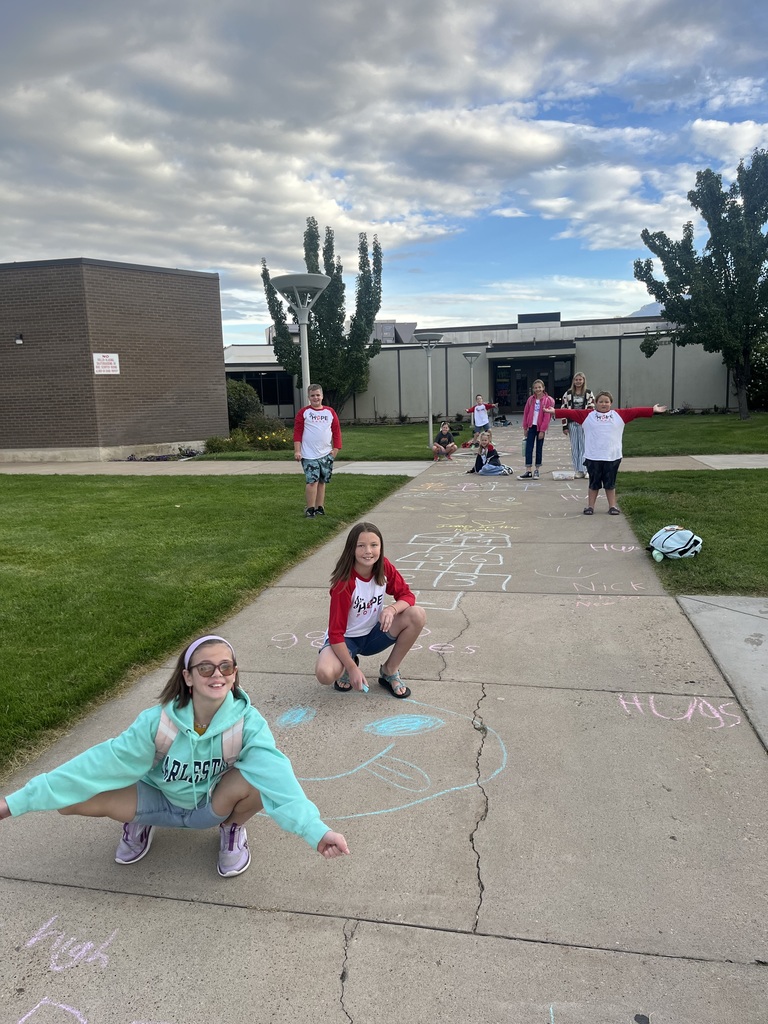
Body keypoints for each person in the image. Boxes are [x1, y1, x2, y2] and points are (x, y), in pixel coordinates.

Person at [0, 635, 350, 877]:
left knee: (260, 778)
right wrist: (13, 804)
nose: (217, 674)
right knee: (72, 799)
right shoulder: (158, 722)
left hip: (208, 808)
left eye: (226, 667)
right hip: (157, 801)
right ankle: (139, 823)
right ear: (187, 676)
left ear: (235, 674)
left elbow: (278, 777)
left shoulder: (247, 723)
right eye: (206, 668)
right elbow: (97, 763)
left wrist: (316, 832)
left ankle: (232, 830)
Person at [315, 522, 426, 699]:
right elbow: (336, 634)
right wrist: (352, 669)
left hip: (374, 634)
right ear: (351, 549)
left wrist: (391, 609)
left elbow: (407, 595)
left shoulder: (383, 567)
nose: (368, 551)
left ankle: (389, 670)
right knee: (325, 673)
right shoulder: (344, 584)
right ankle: (347, 663)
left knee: (417, 614)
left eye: (374, 545)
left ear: (380, 547)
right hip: (346, 640)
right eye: (361, 546)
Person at [555, 392, 667, 514]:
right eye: (601, 401)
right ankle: (590, 507)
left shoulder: (619, 415)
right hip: (593, 456)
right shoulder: (588, 415)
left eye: (607, 402)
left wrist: (652, 410)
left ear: (611, 403)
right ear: (595, 403)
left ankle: (612, 506)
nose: (604, 404)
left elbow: (636, 412)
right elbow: (569, 413)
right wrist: (554, 411)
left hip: (612, 456)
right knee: (594, 483)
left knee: (610, 483)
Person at [293, 383, 342, 518]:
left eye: (318, 395)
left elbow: (336, 431)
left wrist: (336, 449)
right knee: (312, 481)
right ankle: (310, 509)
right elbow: (297, 432)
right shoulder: (304, 413)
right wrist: (297, 450)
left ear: (322, 396)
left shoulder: (330, 412)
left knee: (321, 481)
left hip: (325, 453)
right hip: (309, 454)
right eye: (312, 396)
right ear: (309, 397)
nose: (316, 398)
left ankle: (319, 506)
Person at [560, 372, 596, 477]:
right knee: (575, 447)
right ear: (573, 381)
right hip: (572, 422)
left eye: (580, 380)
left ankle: (585, 469)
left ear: (584, 380)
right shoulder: (568, 394)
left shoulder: (589, 393)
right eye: (576, 380)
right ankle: (577, 470)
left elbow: (591, 408)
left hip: (584, 423)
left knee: (584, 446)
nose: (578, 382)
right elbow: (564, 409)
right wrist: (564, 426)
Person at [519, 379, 555, 479]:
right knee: (528, 448)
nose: (538, 389)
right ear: (533, 389)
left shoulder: (547, 400)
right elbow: (526, 413)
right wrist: (525, 427)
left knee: (539, 448)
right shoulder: (531, 400)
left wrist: (543, 430)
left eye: (539, 387)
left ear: (543, 388)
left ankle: (537, 470)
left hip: (540, 428)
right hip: (531, 426)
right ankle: (528, 470)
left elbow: (547, 416)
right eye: (535, 387)